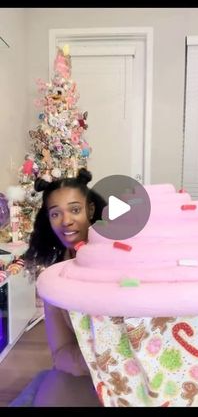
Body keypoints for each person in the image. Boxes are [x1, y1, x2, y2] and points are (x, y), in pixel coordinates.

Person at [24, 168, 107, 407]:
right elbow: (60, 353)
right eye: (55, 214)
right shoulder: (55, 275)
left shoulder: (116, 257)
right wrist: (99, 363)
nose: (66, 221)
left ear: (90, 210)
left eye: (75, 209)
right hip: (83, 369)